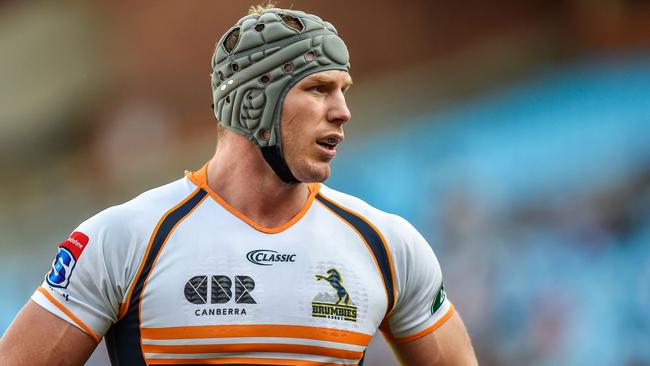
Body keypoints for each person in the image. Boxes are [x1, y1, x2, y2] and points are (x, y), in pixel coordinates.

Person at [0, 6, 478, 366]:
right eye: (318, 89)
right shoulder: (122, 239)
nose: (342, 111)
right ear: (254, 104)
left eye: (343, 91)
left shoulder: (388, 245)